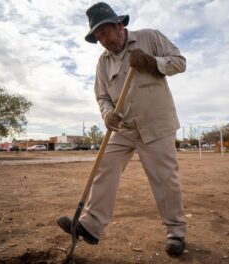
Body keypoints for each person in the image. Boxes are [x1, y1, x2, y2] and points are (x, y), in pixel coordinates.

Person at [58, 2, 187, 256]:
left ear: (119, 25)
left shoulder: (150, 37)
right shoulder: (103, 63)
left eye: (104, 32)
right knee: (104, 167)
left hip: (156, 125)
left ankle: (176, 233)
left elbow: (180, 63)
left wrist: (152, 62)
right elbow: (102, 97)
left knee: (165, 180)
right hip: (124, 127)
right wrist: (107, 115)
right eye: (97, 37)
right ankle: (91, 226)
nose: (103, 41)